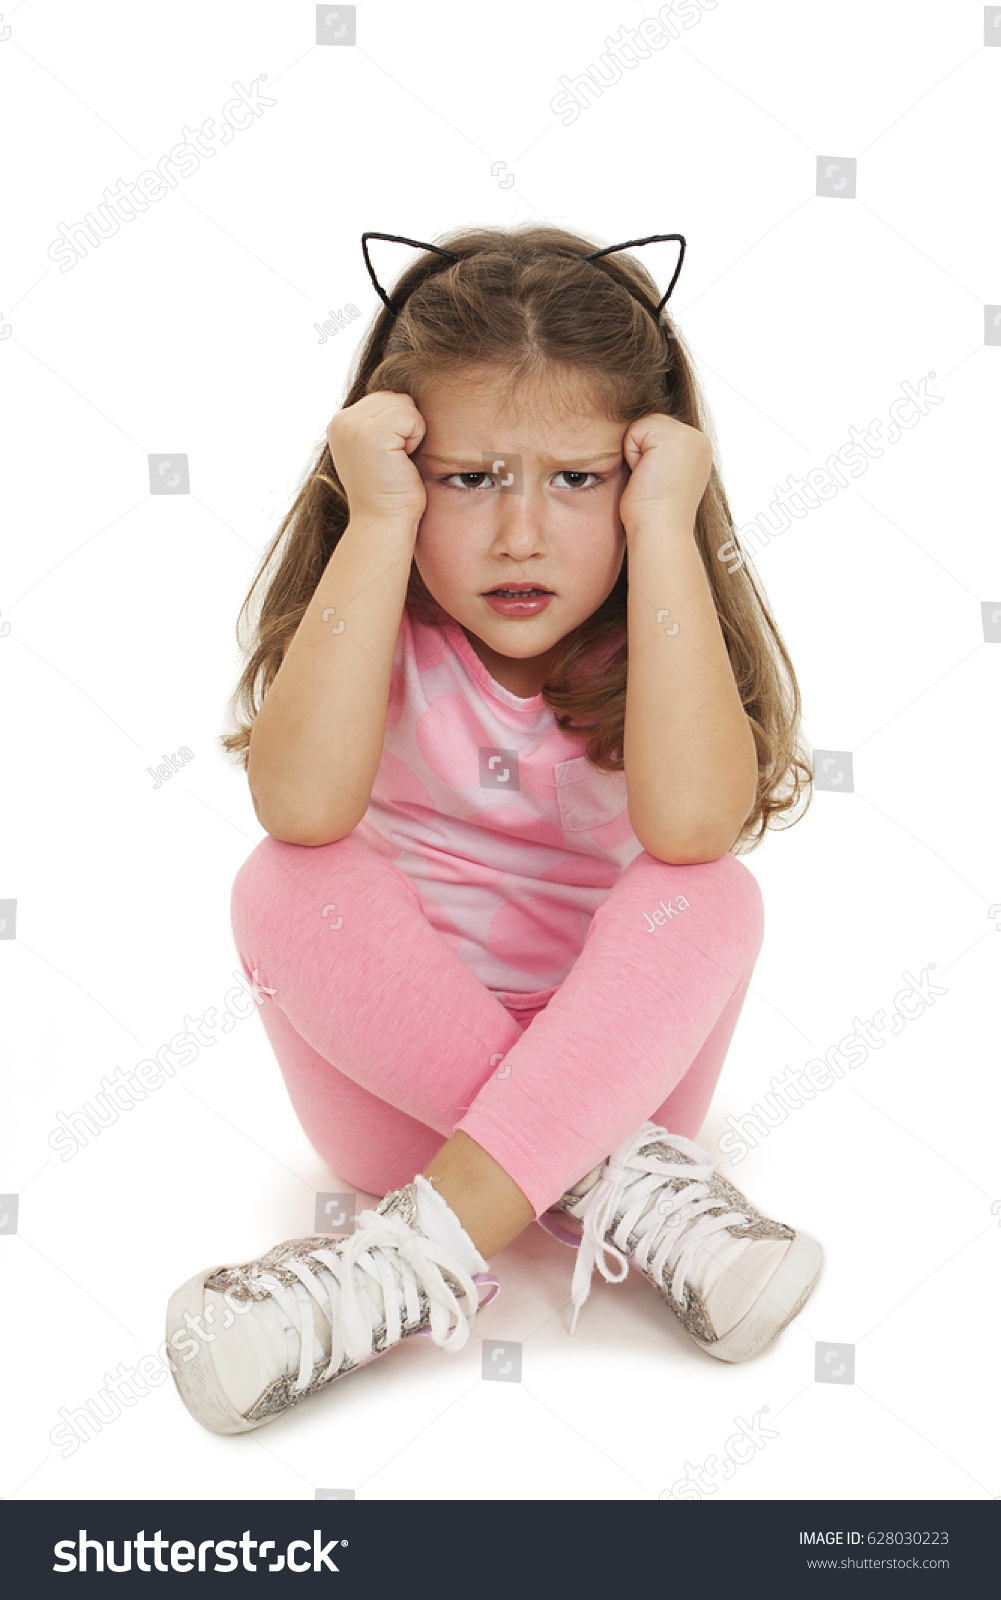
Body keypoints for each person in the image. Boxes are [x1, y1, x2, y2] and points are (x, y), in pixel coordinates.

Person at [165, 224, 821, 1436]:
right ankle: (599, 1186)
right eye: (469, 479)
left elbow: (688, 828)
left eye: (576, 479)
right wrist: (372, 523)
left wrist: (669, 531)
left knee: (715, 890)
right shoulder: (382, 632)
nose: (520, 533)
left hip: (624, 1078)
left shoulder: (653, 639)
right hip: (398, 1110)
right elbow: (299, 805)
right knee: (282, 875)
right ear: (407, 470)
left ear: (640, 474)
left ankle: (386, 1269)